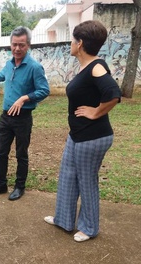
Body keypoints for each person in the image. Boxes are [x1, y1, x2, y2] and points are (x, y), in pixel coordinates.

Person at [43, 20, 121, 242]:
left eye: (73, 39)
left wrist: (96, 112)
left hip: (93, 136)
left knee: (86, 181)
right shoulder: (87, 66)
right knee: (67, 176)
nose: (70, 43)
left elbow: (113, 93)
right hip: (77, 134)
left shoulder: (96, 66)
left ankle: (89, 228)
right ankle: (64, 219)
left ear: (80, 43)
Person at [0, 26, 50, 201]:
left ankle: (19, 186)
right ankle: (1, 184)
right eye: (14, 44)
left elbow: (44, 90)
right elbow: (0, 76)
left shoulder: (35, 67)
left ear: (28, 45)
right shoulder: (9, 63)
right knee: (1, 152)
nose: (17, 49)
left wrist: (25, 98)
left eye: (21, 45)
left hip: (23, 118)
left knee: (21, 154)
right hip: (6, 116)